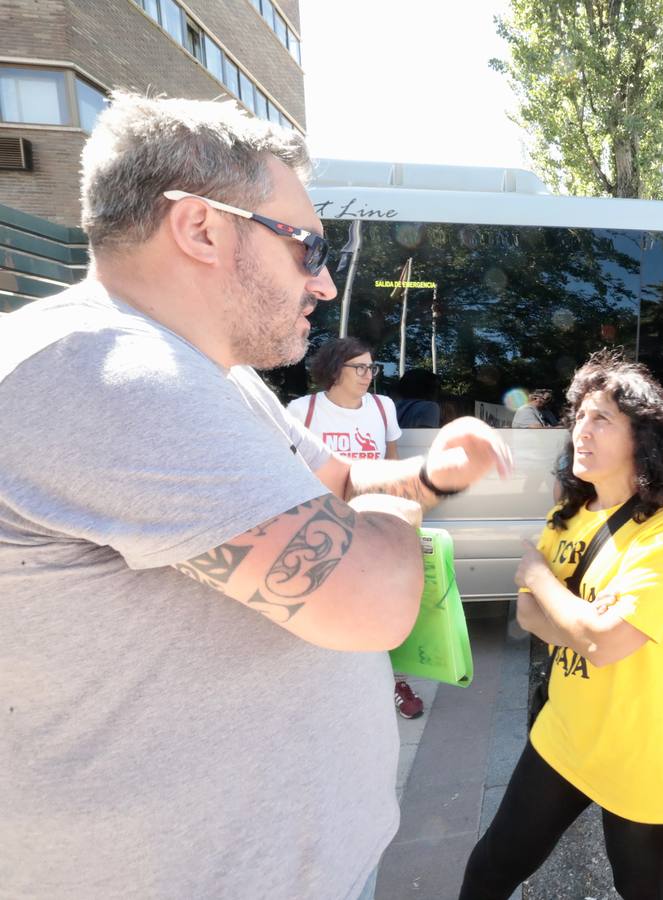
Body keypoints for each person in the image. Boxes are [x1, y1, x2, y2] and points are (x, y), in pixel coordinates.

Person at [0, 92, 511, 899]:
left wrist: (434, 473)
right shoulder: (111, 375)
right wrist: (397, 504)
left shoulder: (207, 377)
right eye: (305, 245)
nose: (324, 279)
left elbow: (338, 481)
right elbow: (375, 599)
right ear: (201, 228)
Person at [460, 352, 663, 900]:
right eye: (579, 417)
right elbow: (529, 617)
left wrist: (540, 578)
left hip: (648, 747)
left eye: (601, 419)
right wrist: (586, 624)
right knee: (490, 868)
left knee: (647, 889)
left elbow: (606, 639)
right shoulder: (568, 515)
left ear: (643, 438)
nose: (581, 431)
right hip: (566, 732)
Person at [286, 338, 425, 719]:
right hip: (318, 527)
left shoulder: (383, 408)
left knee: (378, 608)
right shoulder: (303, 410)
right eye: (359, 368)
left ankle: (393, 681)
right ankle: (328, 691)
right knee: (325, 610)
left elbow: (391, 465)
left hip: (370, 527)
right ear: (334, 371)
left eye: (371, 368)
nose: (368, 375)